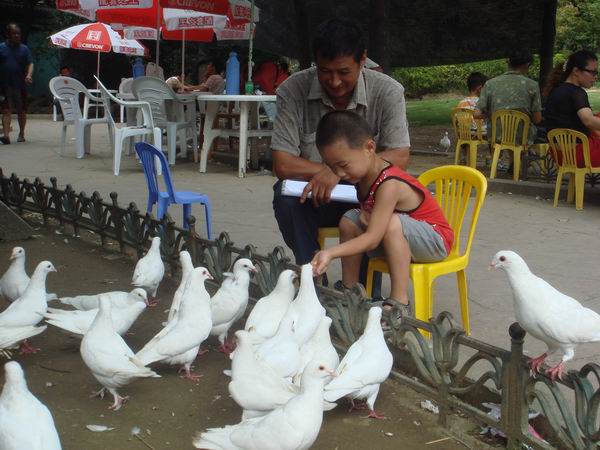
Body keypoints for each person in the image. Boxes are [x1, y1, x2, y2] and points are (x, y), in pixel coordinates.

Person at [271, 18, 410, 266]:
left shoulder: (388, 92)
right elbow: (282, 163)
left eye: (344, 72)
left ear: (363, 60)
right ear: (315, 63)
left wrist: (338, 171)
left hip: (364, 194)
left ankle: (364, 291)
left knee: (380, 195)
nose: (334, 82)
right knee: (285, 197)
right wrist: (326, 172)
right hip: (313, 195)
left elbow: (400, 156)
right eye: (325, 71)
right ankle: (311, 275)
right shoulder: (293, 90)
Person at [311, 111, 453, 316]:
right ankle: (351, 293)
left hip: (434, 241)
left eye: (343, 165)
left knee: (391, 223)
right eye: (332, 167)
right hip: (398, 240)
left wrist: (331, 252)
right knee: (350, 219)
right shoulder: (361, 176)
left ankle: (398, 303)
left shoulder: (389, 183)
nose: (339, 174)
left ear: (369, 148)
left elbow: (372, 238)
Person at [474, 51, 542, 170]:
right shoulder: (532, 85)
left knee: (504, 129)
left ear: (508, 63)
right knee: (526, 129)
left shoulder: (490, 84)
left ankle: (512, 163)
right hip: (521, 135)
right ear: (526, 65)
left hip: (497, 134)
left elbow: (477, 114)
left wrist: (491, 114)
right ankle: (518, 161)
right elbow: (537, 119)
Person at [543, 50, 600, 167]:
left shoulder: (555, 90)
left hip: (558, 155)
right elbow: (588, 120)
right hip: (579, 154)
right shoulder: (577, 92)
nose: (595, 77)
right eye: (592, 72)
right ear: (576, 71)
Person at [0, 23, 33, 145]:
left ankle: (21, 134)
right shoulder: (1, 48)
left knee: (22, 111)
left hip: (20, 85)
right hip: (4, 85)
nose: (17, 35)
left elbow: (30, 63)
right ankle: (6, 136)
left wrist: (29, 75)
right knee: (6, 110)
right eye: (14, 33)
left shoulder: (24, 49)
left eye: (18, 33)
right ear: (8, 35)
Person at [457, 72, 488, 136]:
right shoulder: (482, 102)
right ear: (479, 88)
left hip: (465, 133)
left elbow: (456, 119)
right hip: (480, 133)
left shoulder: (461, 103)